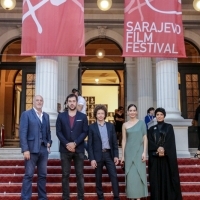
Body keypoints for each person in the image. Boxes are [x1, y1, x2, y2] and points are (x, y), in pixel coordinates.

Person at [56, 93, 88, 200]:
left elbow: (85, 132)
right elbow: (58, 132)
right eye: (70, 101)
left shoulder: (83, 116)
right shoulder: (61, 116)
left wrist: (74, 143)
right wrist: (67, 144)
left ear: (76, 102)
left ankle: (81, 197)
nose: (72, 103)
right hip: (64, 150)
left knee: (80, 174)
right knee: (65, 174)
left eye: (74, 101)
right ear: (67, 103)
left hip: (78, 149)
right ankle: (65, 197)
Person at [19, 95, 52, 200]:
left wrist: (49, 143)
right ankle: (25, 198)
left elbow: (48, 132)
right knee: (29, 175)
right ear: (33, 102)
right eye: (37, 100)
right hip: (31, 150)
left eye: (41, 100)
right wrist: (25, 149)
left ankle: (42, 197)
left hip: (43, 150)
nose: (39, 102)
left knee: (42, 175)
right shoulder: (26, 114)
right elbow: (23, 133)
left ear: (43, 102)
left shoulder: (46, 116)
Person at [147, 107, 182, 200]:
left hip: (166, 159)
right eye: (157, 114)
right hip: (155, 159)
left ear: (164, 116)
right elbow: (150, 142)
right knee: (156, 181)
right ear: (155, 116)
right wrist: (157, 148)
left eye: (161, 114)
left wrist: (163, 148)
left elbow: (170, 141)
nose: (159, 116)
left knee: (167, 180)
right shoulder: (151, 129)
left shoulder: (169, 127)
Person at [88, 104, 120, 200]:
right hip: (97, 155)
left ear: (105, 114)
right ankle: (100, 197)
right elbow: (90, 145)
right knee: (98, 178)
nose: (101, 115)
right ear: (96, 115)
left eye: (102, 113)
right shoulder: (91, 127)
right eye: (99, 113)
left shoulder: (110, 126)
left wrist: (116, 156)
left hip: (109, 154)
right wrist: (92, 159)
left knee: (114, 175)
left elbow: (114, 142)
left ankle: (116, 197)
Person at [121, 104, 148, 200]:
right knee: (130, 177)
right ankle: (132, 197)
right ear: (128, 112)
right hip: (129, 153)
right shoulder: (124, 125)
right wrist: (123, 155)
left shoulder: (141, 123)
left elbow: (145, 138)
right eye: (130, 110)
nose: (132, 112)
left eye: (134, 110)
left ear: (136, 112)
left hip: (139, 151)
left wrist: (144, 152)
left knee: (139, 174)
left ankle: (138, 198)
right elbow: (124, 140)